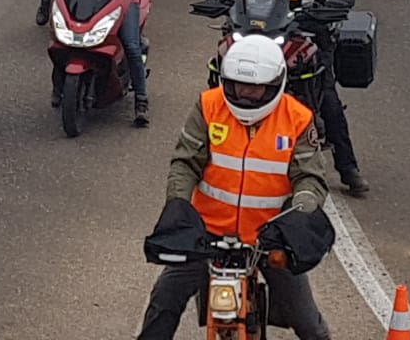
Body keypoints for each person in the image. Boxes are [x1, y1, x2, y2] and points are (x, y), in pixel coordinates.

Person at [136, 34, 332, 340]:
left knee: (308, 324)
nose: (245, 93)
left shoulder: (298, 118)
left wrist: (298, 215)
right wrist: (178, 206)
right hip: (207, 236)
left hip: (270, 240)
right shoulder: (208, 106)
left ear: (274, 83)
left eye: (254, 87)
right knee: (163, 302)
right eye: (238, 84)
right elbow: (185, 162)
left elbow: (310, 177)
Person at [270, 0, 366, 195]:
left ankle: (348, 168)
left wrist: (337, 5)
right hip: (267, 33)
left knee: (328, 98)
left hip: (310, 36)